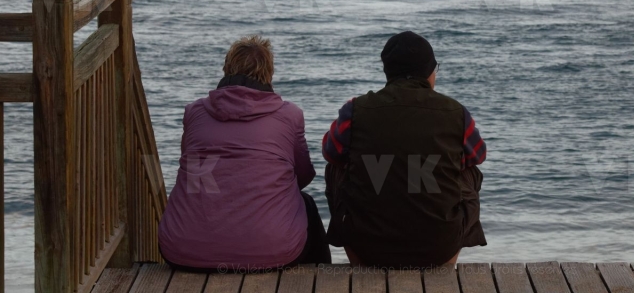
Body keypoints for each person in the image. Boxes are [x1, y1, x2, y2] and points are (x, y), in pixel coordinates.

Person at [158, 35, 331, 271]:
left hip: (184, 250)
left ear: (227, 68)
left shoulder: (195, 112)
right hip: (271, 251)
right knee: (307, 204)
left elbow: (195, 172)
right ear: (269, 73)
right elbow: (304, 176)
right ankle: (320, 278)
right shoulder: (289, 114)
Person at [322, 31, 487, 268]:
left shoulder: (355, 110)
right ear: (430, 72)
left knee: (336, 167)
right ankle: (445, 253)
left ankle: (356, 250)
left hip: (367, 248)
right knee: (467, 171)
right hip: (438, 249)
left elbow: (330, 151)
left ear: (388, 72)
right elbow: (477, 155)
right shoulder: (455, 112)